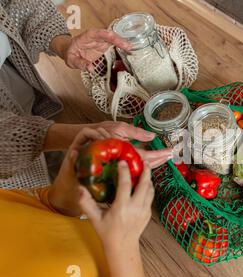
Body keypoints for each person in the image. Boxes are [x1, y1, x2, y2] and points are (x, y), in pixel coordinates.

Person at [0, 127, 172, 277]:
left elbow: (41, 210)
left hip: (117, 234)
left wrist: (74, 184)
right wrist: (123, 245)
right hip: (131, 259)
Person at [0, 0, 139, 179]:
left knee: (56, 161)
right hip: (8, 175)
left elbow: (14, 4)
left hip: (24, 99)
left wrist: (62, 44)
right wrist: (82, 134)